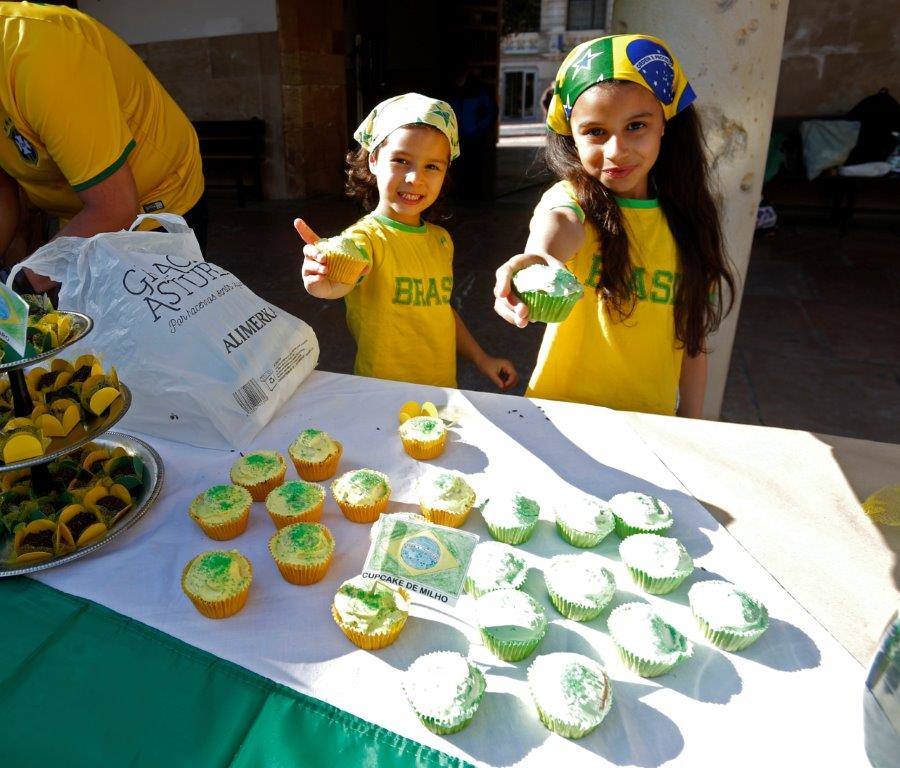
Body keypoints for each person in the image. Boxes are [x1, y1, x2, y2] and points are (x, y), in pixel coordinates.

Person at [493, 35, 735, 417]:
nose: (616, 151)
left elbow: (692, 341)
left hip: (652, 424)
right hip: (559, 417)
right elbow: (557, 224)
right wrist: (538, 258)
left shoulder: (690, 223)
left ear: (665, 124)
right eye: (595, 132)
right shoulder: (573, 198)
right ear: (571, 136)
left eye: (636, 125)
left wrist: (691, 423)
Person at [296, 92, 517, 391]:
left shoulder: (441, 241)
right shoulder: (365, 239)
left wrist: (481, 358)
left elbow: (441, 311)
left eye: (432, 166)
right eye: (401, 160)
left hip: (442, 389)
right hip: (383, 393)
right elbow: (343, 275)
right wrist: (325, 282)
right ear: (374, 160)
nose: (415, 178)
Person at [0, 2, 206, 293]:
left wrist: (18, 283)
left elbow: (115, 207)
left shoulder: (40, 55)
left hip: (154, 203)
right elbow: (2, 191)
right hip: (81, 210)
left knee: (157, 328)